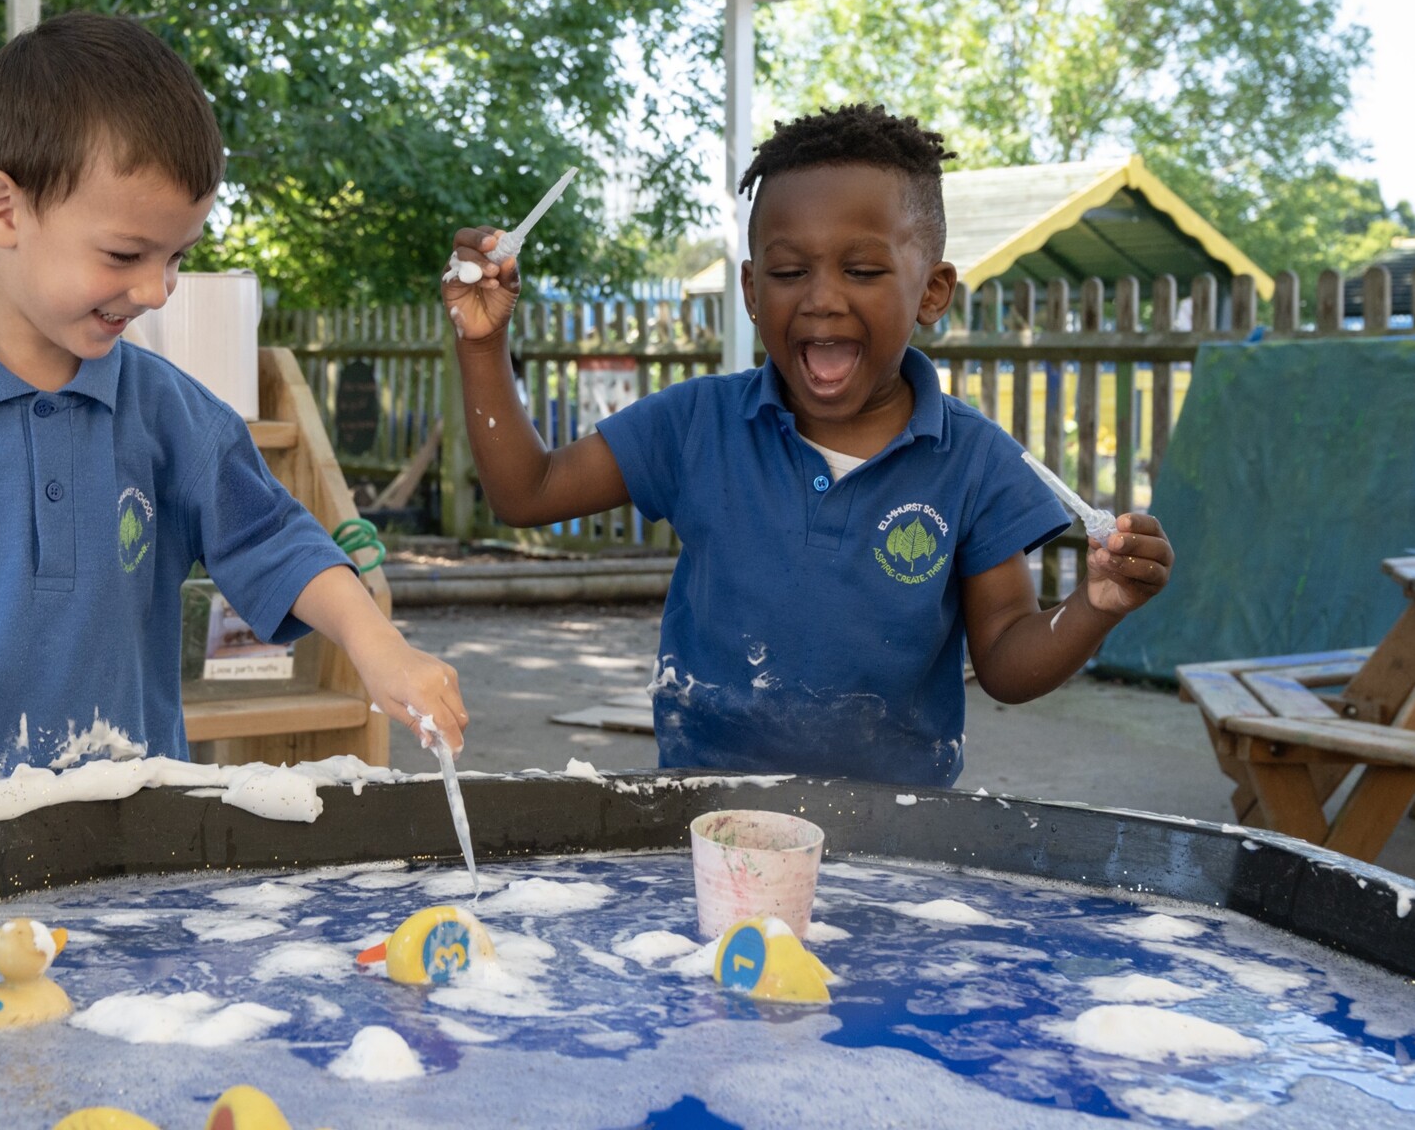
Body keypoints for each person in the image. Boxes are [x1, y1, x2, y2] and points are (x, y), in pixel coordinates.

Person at [0, 12, 465, 804]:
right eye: (125, 255)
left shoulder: (170, 414)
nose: (155, 291)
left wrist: (377, 644)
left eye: (177, 257)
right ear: (2, 208)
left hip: (123, 832)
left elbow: (276, 541)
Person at [441, 104, 1172, 786]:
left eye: (862, 270)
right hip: (701, 817)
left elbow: (1009, 662)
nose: (821, 298)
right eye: (790, 273)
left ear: (932, 291)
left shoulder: (975, 463)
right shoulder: (695, 424)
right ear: (754, 290)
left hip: (893, 840)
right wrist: (484, 345)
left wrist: (1096, 604)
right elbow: (526, 492)